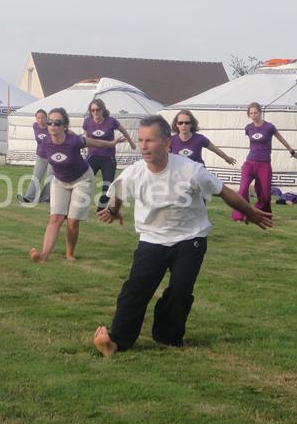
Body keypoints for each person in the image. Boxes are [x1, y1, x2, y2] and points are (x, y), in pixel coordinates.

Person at [93, 115, 273, 357]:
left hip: (191, 238)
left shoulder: (191, 170)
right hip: (152, 239)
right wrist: (113, 211)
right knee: (135, 290)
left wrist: (250, 212)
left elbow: (223, 192)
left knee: (180, 291)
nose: (144, 146)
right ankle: (116, 343)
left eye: (150, 140)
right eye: (141, 140)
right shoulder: (133, 173)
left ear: (167, 142)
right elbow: (119, 193)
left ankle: (168, 337)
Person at [29, 107, 125, 263]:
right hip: (60, 181)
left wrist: (112, 143)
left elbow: (95, 142)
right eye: (49, 122)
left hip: (82, 180)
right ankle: (43, 255)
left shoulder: (74, 141)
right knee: (55, 218)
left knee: (72, 220)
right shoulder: (45, 141)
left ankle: (69, 253)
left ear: (65, 127)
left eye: (57, 122)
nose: (52, 125)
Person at [231, 102, 297, 222]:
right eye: (251, 113)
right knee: (242, 189)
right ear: (249, 115)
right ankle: (241, 215)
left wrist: (291, 150)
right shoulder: (248, 128)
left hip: (264, 164)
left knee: (265, 195)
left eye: (255, 113)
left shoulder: (269, 127)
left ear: (260, 112)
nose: (254, 115)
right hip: (250, 163)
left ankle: (262, 214)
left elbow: (280, 138)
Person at [83, 99, 136, 211]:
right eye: (92, 110)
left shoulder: (111, 121)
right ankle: (78, 205)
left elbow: (124, 131)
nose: (95, 112)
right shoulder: (88, 122)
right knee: (84, 181)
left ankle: (101, 209)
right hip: (93, 156)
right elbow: (86, 136)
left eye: (98, 110)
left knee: (108, 185)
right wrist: (87, 151)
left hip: (108, 157)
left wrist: (131, 143)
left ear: (103, 110)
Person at [170, 109, 237, 166]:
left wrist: (227, 158)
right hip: (179, 176)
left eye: (187, 123)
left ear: (191, 124)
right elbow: (163, 156)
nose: (184, 125)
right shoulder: (171, 140)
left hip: (198, 176)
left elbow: (215, 149)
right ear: (176, 124)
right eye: (180, 123)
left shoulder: (200, 139)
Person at [17, 109, 52, 204]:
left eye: (43, 117)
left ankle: (45, 198)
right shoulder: (35, 126)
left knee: (49, 177)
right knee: (36, 177)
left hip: (52, 156)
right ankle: (28, 198)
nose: (40, 120)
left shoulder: (51, 127)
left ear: (47, 118)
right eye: (38, 118)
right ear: (36, 119)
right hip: (41, 155)